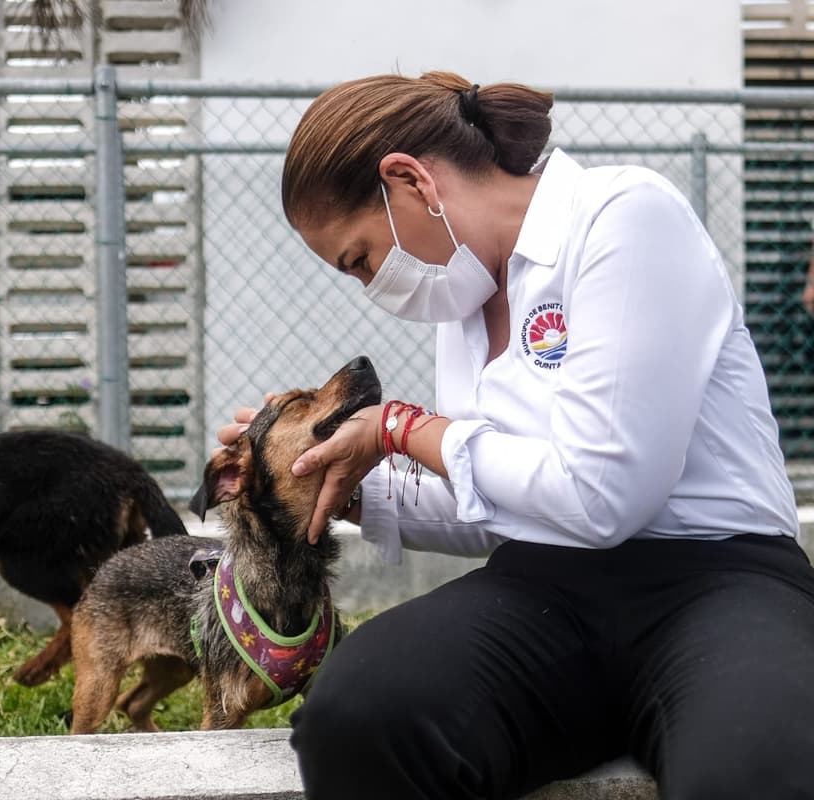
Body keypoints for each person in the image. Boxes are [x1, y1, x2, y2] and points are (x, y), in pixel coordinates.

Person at [217, 71, 814, 799]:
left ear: (410, 181)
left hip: (719, 578)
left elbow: (603, 495)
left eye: (361, 258)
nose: (371, 284)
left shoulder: (622, 217)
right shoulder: (464, 301)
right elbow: (499, 499)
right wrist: (331, 486)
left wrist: (405, 429)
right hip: (545, 590)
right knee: (360, 711)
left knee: (755, 762)